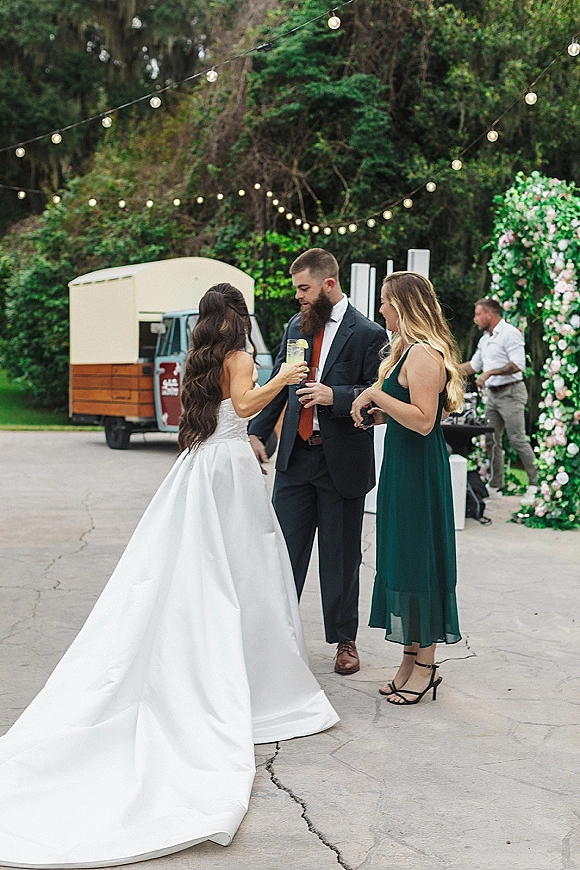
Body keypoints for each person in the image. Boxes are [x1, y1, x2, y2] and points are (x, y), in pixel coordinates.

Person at [0, 283, 338, 869]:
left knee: (205, 571)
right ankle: (253, 683)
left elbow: (213, 415)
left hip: (201, 461)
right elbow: (247, 407)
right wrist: (283, 378)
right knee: (246, 577)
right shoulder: (237, 356)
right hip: (228, 469)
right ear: (236, 314)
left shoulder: (197, 355)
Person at [248, 248, 385, 676]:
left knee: (340, 558)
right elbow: (284, 386)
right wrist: (257, 431)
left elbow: (378, 393)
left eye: (304, 289)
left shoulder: (369, 333)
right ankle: (278, 637)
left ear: (329, 285)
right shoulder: (296, 326)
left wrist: (336, 397)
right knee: (283, 556)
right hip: (294, 460)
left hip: (341, 462)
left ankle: (345, 641)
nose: (298, 298)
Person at [351, 271, 463, 705]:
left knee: (420, 559)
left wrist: (376, 397)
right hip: (402, 466)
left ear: (404, 305)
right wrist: (375, 410)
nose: (380, 310)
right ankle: (409, 657)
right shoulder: (404, 352)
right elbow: (404, 413)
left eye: (385, 302)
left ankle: (427, 665)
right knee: (401, 555)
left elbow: (423, 420)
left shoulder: (423, 354)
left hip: (419, 471)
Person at [461, 297, 538, 504]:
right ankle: (496, 485)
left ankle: (535, 484)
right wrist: (446, 369)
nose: (475, 319)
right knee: (491, 441)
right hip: (493, 396)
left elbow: (517, 365)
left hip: (511, 393)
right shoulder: (485, 339)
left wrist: (489, 374)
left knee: (517, 439)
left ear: (489, 314)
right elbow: (473, 366)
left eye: (478, 314)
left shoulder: (510, 334)